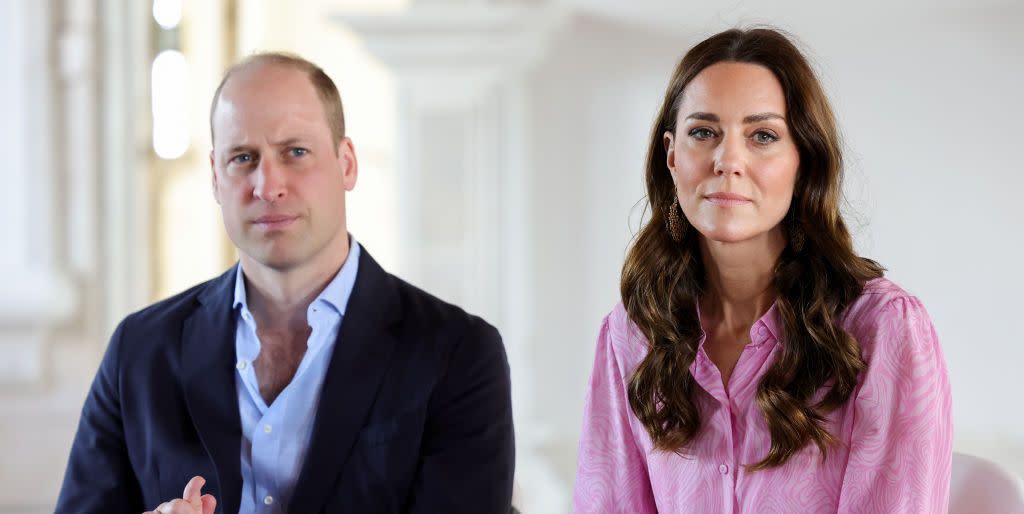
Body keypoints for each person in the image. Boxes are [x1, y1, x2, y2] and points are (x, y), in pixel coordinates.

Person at [56, 53, 515, 514]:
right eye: (243, 158)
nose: (268, 185)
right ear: (216, 178)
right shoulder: (138, 350)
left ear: (347, 163)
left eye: (295, 152)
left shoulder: (457, 355)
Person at [574, 28, 952, 513]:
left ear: (804, 161)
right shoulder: (630, 336)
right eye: (703, 132)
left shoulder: (884, 330)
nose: (727, 160)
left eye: (763, 136)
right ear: (672, 156)